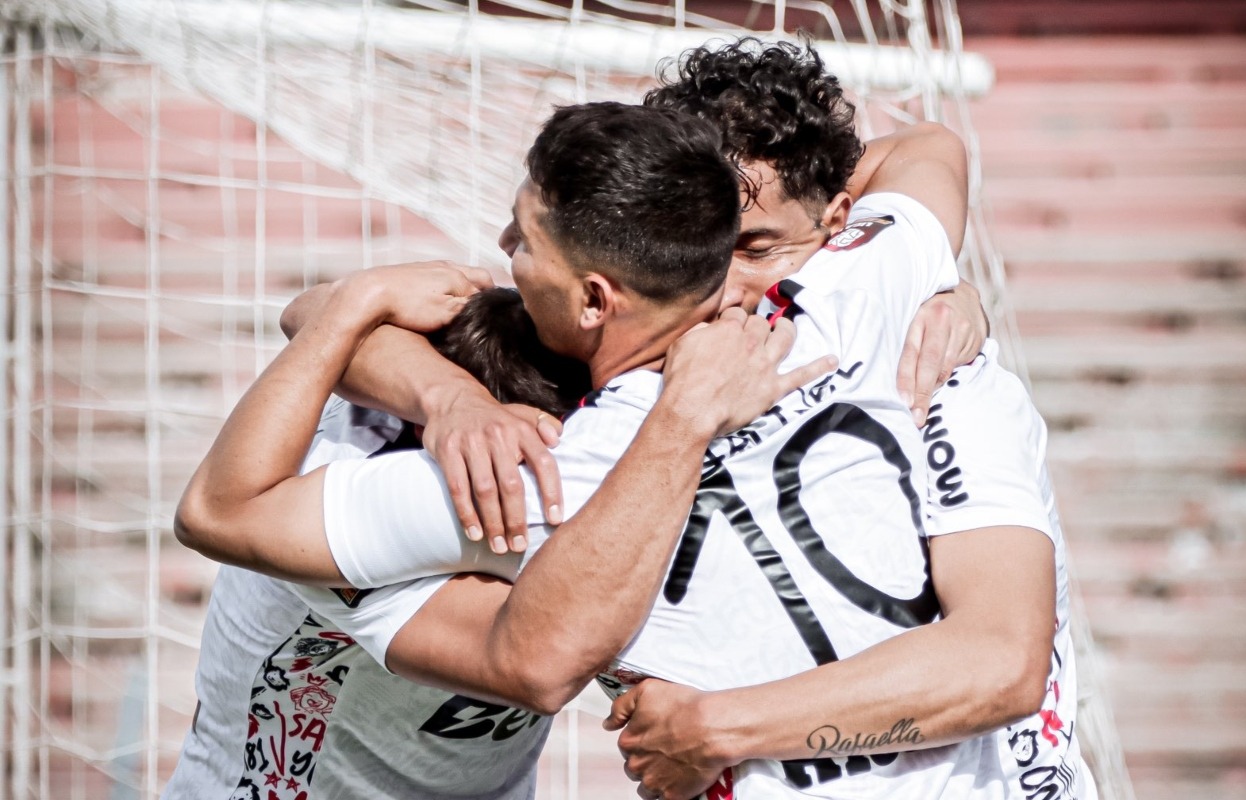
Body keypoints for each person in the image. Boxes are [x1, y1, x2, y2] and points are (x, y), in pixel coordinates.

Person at [271, 39, 1095, 800]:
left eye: (759, 248)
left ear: (838, 223)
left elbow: (997, 664)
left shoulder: (912, 334)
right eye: (706, 244)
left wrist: (713, 727)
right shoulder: (603, 398)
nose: (722, 285)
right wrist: (451, 399)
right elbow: (323, 319)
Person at [167, 101, 837, 799]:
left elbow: (223, 502)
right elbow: (923, 153)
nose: (501, 244)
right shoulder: (758, 333)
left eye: (524, 242)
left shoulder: (560, 457)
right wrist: (443, 393)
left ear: (594, 303)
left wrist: (359, 304)